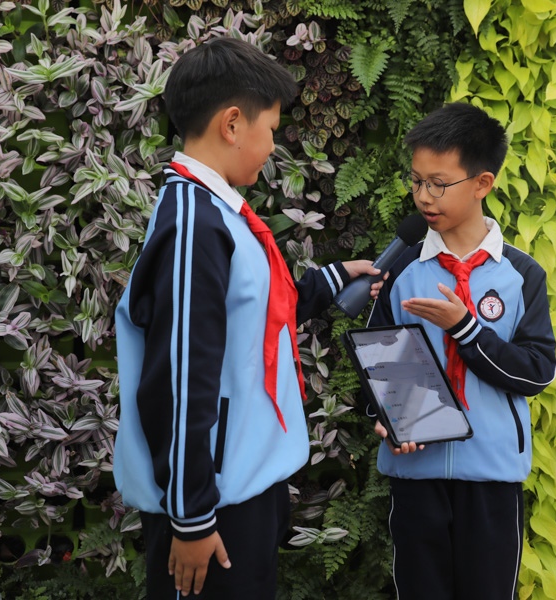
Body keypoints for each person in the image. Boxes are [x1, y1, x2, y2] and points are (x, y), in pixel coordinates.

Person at [112, 37, 385, 599]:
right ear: (233, 124)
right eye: (272, 129)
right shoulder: (194, 226)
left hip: (239, 491)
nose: (273, 146)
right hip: (212, 507)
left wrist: (331, 281)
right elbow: (181, 376)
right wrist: (191, 517)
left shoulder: (213, 212)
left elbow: (253, 313)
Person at [366, 102, 556, 600]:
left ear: (482, 184)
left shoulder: (521, 275)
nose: (423, 197)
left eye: (438, 184)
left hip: (491, 477)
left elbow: (536, 372)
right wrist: (388, 418)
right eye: (416, 181)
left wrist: (466, 329)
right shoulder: (401, 270)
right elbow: (379, 364)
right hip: (416, 476)